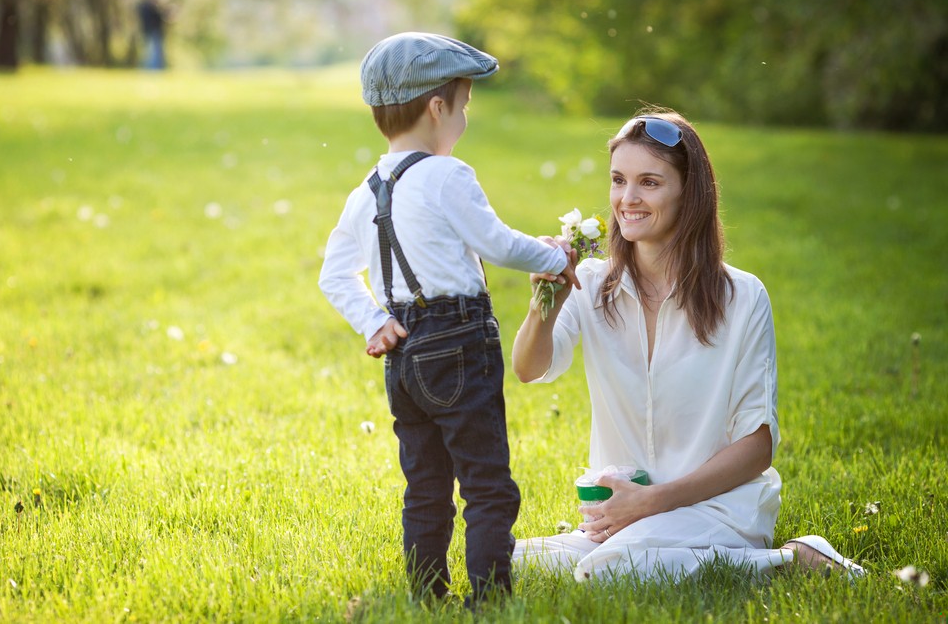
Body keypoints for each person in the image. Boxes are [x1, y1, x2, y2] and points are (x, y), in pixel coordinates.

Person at [510, 110, 866, 582]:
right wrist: (546, 299)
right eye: (619, 180)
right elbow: (529, 368)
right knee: (506, 560)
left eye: (650, 183)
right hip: (624, 518)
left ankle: (790, 560)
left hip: (716, 509)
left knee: (611, 571)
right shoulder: (592, 285)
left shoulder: (742, 297)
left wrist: (650, 502)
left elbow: (758, 447)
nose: (627, 199)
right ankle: (653, 555)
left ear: (690, 194)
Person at [318, 32, 579, 603]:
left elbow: (334, 275)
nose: (464, 120)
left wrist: (372, 321)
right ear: (438, 107)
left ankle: (427, 595)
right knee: (487, 485)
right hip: (459, 343)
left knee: (426, 484)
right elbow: (498, 244)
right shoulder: (448, 175)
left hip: (403, 350)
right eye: (464, 108)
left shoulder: (364, 193)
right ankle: (489, 598)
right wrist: (556, 256)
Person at [137, 0, 167, 70]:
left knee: (151, 51)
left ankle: (152, 68)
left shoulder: (145, 7)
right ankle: (153, 69)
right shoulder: (149, 8)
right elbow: (157, 18)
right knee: (153, 52)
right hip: (152, 31)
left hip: (149, 31)